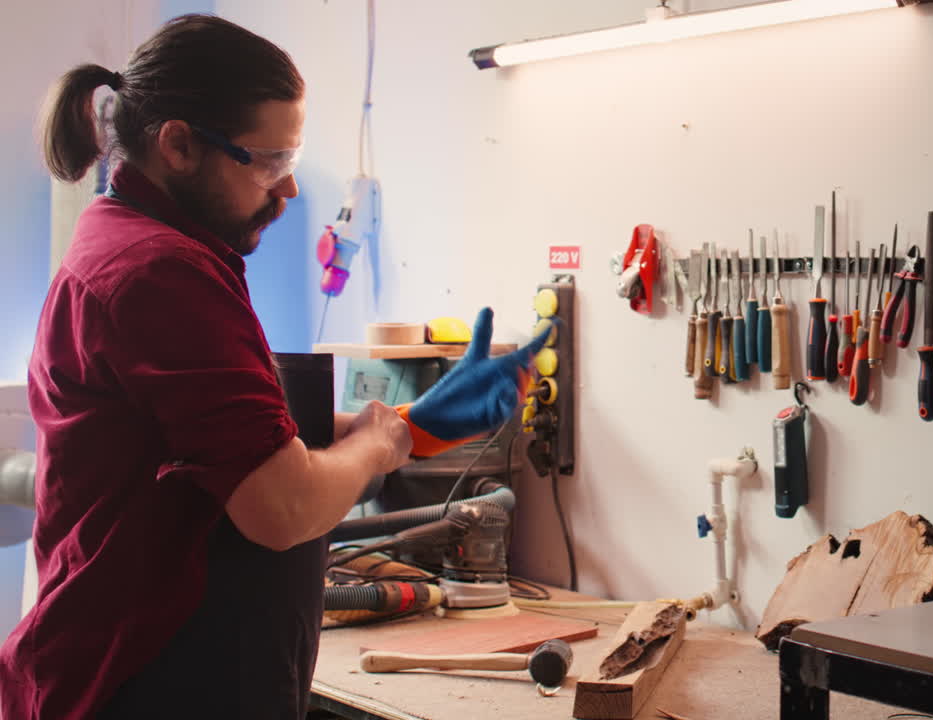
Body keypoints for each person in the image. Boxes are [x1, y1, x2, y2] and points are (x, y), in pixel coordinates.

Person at [0, 14, 546, 720]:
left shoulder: (132, 241)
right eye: (270, 164)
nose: (286, 194)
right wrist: (383, 444)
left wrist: (414, 424)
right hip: (141, 685)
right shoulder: (159, 271)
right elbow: (280, 508)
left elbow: (230, 440)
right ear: (179, 146)